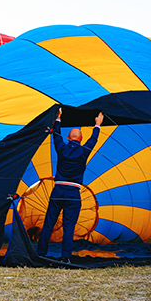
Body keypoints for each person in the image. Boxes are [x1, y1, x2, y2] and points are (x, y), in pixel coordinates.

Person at [36, 107, 103, 263]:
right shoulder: (84, 151)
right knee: (69, 226)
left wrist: (58, 118)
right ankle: (66, 257)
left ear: (68, 137)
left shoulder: (62, 148)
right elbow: (93, 140)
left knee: (49, 223)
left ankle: (40, 253)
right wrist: (97, 124)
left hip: (58, 190)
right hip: (73, 193)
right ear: (80, 139)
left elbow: (56, 135)